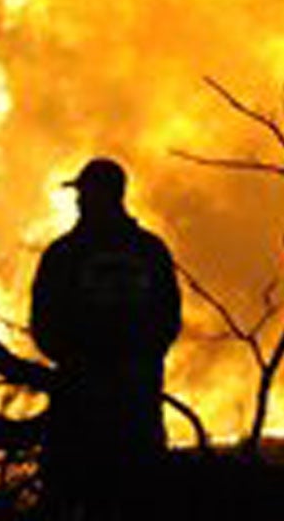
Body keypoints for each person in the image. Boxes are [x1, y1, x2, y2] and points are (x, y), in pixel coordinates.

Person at [29, 157, 181, 518]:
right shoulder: (150, 251)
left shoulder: (64, 255)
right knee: (133, 498)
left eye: (83, 192)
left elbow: (44, 324)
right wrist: (137, 363)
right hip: (136, 406)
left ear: (102, 195)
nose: (79, 200)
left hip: (80, 406)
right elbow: (168, 321)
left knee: (68, 497)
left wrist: (78, 364)